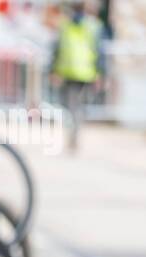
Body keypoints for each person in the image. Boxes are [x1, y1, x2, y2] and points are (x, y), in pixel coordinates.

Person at [51, 2, 103, 150]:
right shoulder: (91, 26)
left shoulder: (69, 25)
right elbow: (58, 48)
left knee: (74, 107)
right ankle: (74, 134)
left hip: (78, 73)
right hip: (79, 72)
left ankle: (74, 135)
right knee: (74, 107)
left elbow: (57, 49)